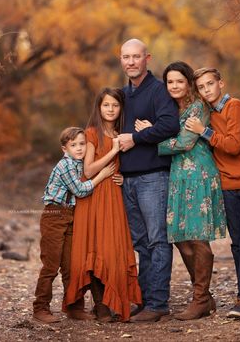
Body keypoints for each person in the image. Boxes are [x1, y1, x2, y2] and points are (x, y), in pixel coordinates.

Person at [136, 61, 227, 320]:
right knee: (180, 238)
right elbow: (171, 137)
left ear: (188, 83)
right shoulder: (172, 109)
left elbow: (185, 143)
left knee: (197, 237)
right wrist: (155, 132)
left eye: (179, 81)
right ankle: (205, 297)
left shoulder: (197, 107)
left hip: (198, 174)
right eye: (170, 82)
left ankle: (200, 299)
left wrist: (149, 138)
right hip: (178, 175)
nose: (174, 86)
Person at [185, 67, 240, 319]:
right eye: (201, 86)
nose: (207, 89)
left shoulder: (236, 107)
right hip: (228, 185)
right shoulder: (206, 114)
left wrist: (203, 131)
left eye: (210, 84)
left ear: (221, 83)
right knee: (238, 242)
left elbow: (232, 145)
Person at [66, 88, 142, 322]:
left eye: (115, 105)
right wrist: (114, 151)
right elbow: (88, 170)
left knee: (113, 249)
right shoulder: (92, 133)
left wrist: (121, 177)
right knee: (95, 247)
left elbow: (124, 165)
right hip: (93, 195)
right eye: (106, 105)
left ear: (121, 108)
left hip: (113, 195)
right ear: (99, 108)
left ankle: (114, 300)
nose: (110, 109)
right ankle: (100, 306)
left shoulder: (122, 133)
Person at [117, 38, 180, 323]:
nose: (131, 62)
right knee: (140, 243)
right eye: (126, 57)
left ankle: (158, 303)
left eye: (136, 57)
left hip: (153, 178)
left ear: (147, 59)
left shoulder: (158, 91)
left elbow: (170, 125)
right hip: (126, 179)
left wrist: (137, 137)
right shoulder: (121, 95)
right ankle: (142, 301)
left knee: (157, 241)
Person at [32, 127, 115, 324]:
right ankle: (40, 307)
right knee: (51, 265)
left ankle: (74, 307)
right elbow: (80, 190)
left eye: (82, 144)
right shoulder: (66, 165)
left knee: (71, 266)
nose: (79, 148)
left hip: (71, 216)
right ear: (64, 149)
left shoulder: (82, 165)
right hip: (54, 215)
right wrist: (102, 175)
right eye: (73, 145)